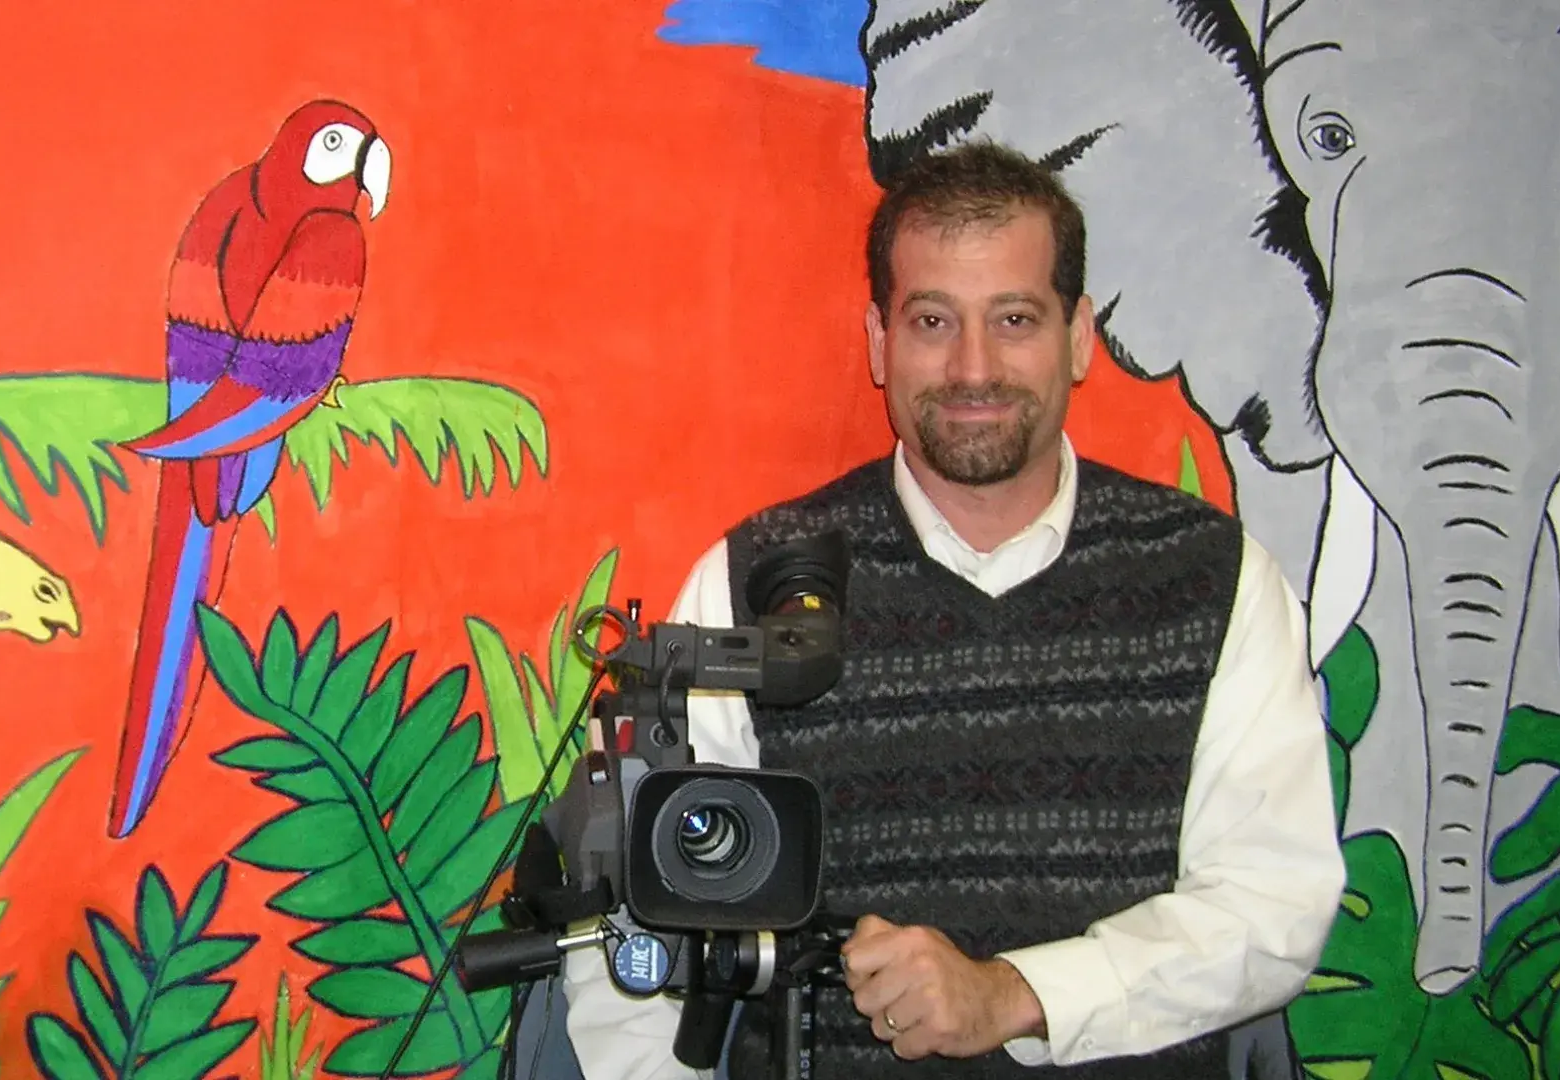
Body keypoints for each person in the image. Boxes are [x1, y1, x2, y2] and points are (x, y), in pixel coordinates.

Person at [558, 140, 1346, 1078]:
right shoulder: (757, 578)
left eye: (1015, 318)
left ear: (1080, 338)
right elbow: (632, 934)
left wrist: (1015, 994)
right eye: (933, 320)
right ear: (879, 344)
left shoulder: (1213, 580)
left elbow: (1273, 904)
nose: (974, 368)